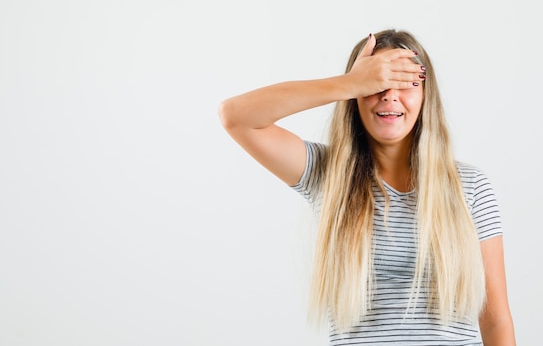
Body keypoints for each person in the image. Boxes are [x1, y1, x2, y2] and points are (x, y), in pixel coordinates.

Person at [218, 29, 516, 345]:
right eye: (376, 84)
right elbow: (236, 116)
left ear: (425, 95)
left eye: (405, 82)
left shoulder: (469, 187)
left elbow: (495, 319)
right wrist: (350, 83)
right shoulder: (327, 174)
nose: (389, 95)